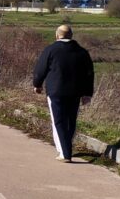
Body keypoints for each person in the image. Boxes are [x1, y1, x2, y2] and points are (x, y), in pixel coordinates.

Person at [33, 24, 94, 163]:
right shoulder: (82, 52)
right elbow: (89, 74)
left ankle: (65, 152)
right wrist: (87, 93)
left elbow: (40, 69)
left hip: (55, 91)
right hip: (75, 92)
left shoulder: (50, 50)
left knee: (58, 121)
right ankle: (66, 147)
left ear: (57, 35)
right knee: (70, 120)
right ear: (71, 35)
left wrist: (37, 84)